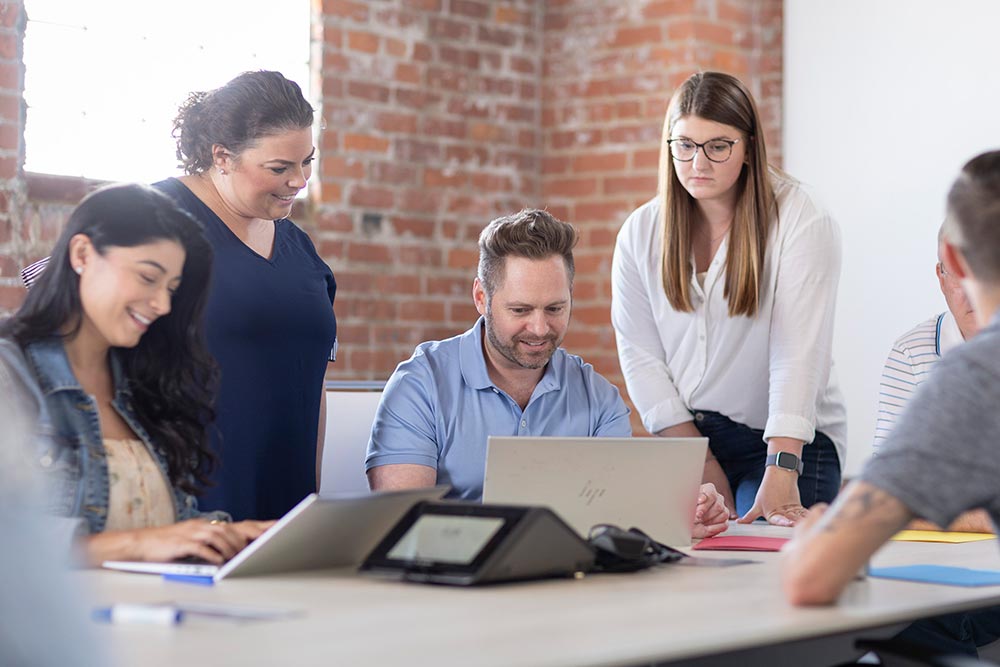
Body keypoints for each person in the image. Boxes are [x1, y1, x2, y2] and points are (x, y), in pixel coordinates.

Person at [19, 71, 338, 520]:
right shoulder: (150, 215)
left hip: (285, 507)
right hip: (178, 503)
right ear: (222, 157)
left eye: (308, 161)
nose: (300, 180)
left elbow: (310, 379)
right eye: (279, 168)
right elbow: (54, 335)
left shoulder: (300, 248)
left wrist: (313, 498)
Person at [366, 209, 729, 538]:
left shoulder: (598, 399)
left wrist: (672, 519)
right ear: (481, 298)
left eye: (555, 308)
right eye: (520, 309)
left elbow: (614, 520)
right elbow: (405, 526)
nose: (540, 329)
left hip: (567, 590)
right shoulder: (421, 386)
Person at [782, 150, 1000, 654]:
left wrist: (824, 531)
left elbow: (810, 578)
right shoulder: (924, 351)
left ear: (953, 258)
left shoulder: (973, 377)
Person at [611, 71, 845, 527]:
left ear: (749, 147)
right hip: (694, 441)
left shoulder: (801, 217)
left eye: (718, 146)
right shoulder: (641, 232)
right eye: (684, 145)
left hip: (786, 444)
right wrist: (699, 462)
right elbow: (640, 356)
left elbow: (796, 355)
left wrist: (781, 468)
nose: (698, 162)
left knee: (763, 570)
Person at [0, 183, 271, 566]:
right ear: (82, 254)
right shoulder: (10, 373)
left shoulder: (143, 380)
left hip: (160, 617)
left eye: (172, 289)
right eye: (147, 277)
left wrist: (223, 535)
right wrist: (133, 545)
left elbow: (160, 526)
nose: (162, 305)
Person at [874, 225, 990, 534]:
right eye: (957, 274)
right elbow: (887, 495)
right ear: (941, 277)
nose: (969, 293)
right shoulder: (911, 353)